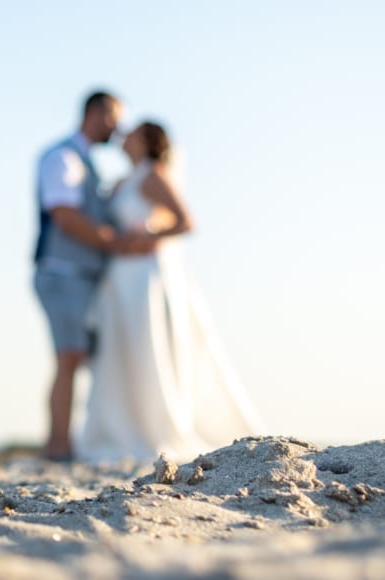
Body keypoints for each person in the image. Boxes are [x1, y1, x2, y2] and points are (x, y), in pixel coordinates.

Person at [76, 121, 262, 463]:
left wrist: (147, 234)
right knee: (121, 351)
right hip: (120, 278)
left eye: (134, 132)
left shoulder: (153, 175)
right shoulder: (123, 181)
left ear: (147, 141)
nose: (125, 134)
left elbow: (186, 220)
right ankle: (121, 427)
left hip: (144, 275)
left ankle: (154, 428)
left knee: (150, 348)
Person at [33, 91, 153, 461]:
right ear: (97, 114)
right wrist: (113, 242)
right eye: (115, 118)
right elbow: (65, 215)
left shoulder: (89, 165)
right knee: (69, 358)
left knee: (85, 358)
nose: (119, 129)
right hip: (64, 273)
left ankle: (80, 440)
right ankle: (58, 446)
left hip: (86, 278)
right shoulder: (64, 158)